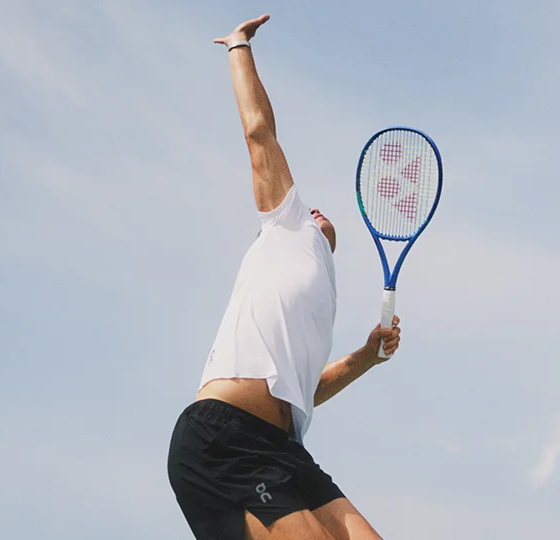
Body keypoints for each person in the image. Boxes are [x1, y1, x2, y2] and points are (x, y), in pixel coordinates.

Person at [167, 14, 402, 540]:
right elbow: (258, 133)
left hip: (284, 450)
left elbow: (301, 391)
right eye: (309, 208)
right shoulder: (286, 225)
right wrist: (238, 47)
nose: (314, 210)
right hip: (222, 440)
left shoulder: (323, 292)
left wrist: (365, 357)